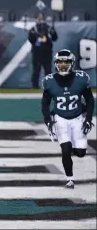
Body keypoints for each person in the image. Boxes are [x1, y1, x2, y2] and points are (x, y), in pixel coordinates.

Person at [41, 49, 94, 189]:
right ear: (55, 63)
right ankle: (70, 179)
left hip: (77, 118)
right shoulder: (50, 81)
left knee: (81, 153)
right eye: (60, 62)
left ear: (72, 63)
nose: (63, 65)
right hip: (60, 119)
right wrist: (48, 119)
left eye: (66, 62)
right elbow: (45, 103)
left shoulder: (81, 78)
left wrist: (88, 118)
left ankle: (74, 148)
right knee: (65, 149)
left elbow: (90, 100)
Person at [28, 13, 58, 88]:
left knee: (48, 71)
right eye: (39, 17)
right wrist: (34, 36)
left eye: (42, 17)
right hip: (37, 53)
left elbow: (55, 38)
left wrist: (53, 33)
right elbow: (31, 40)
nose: (41, 19)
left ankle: (49, 86)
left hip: (47, 52)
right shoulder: (33, 28)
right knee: (36, 71)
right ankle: (34, 87)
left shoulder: (49, 28)